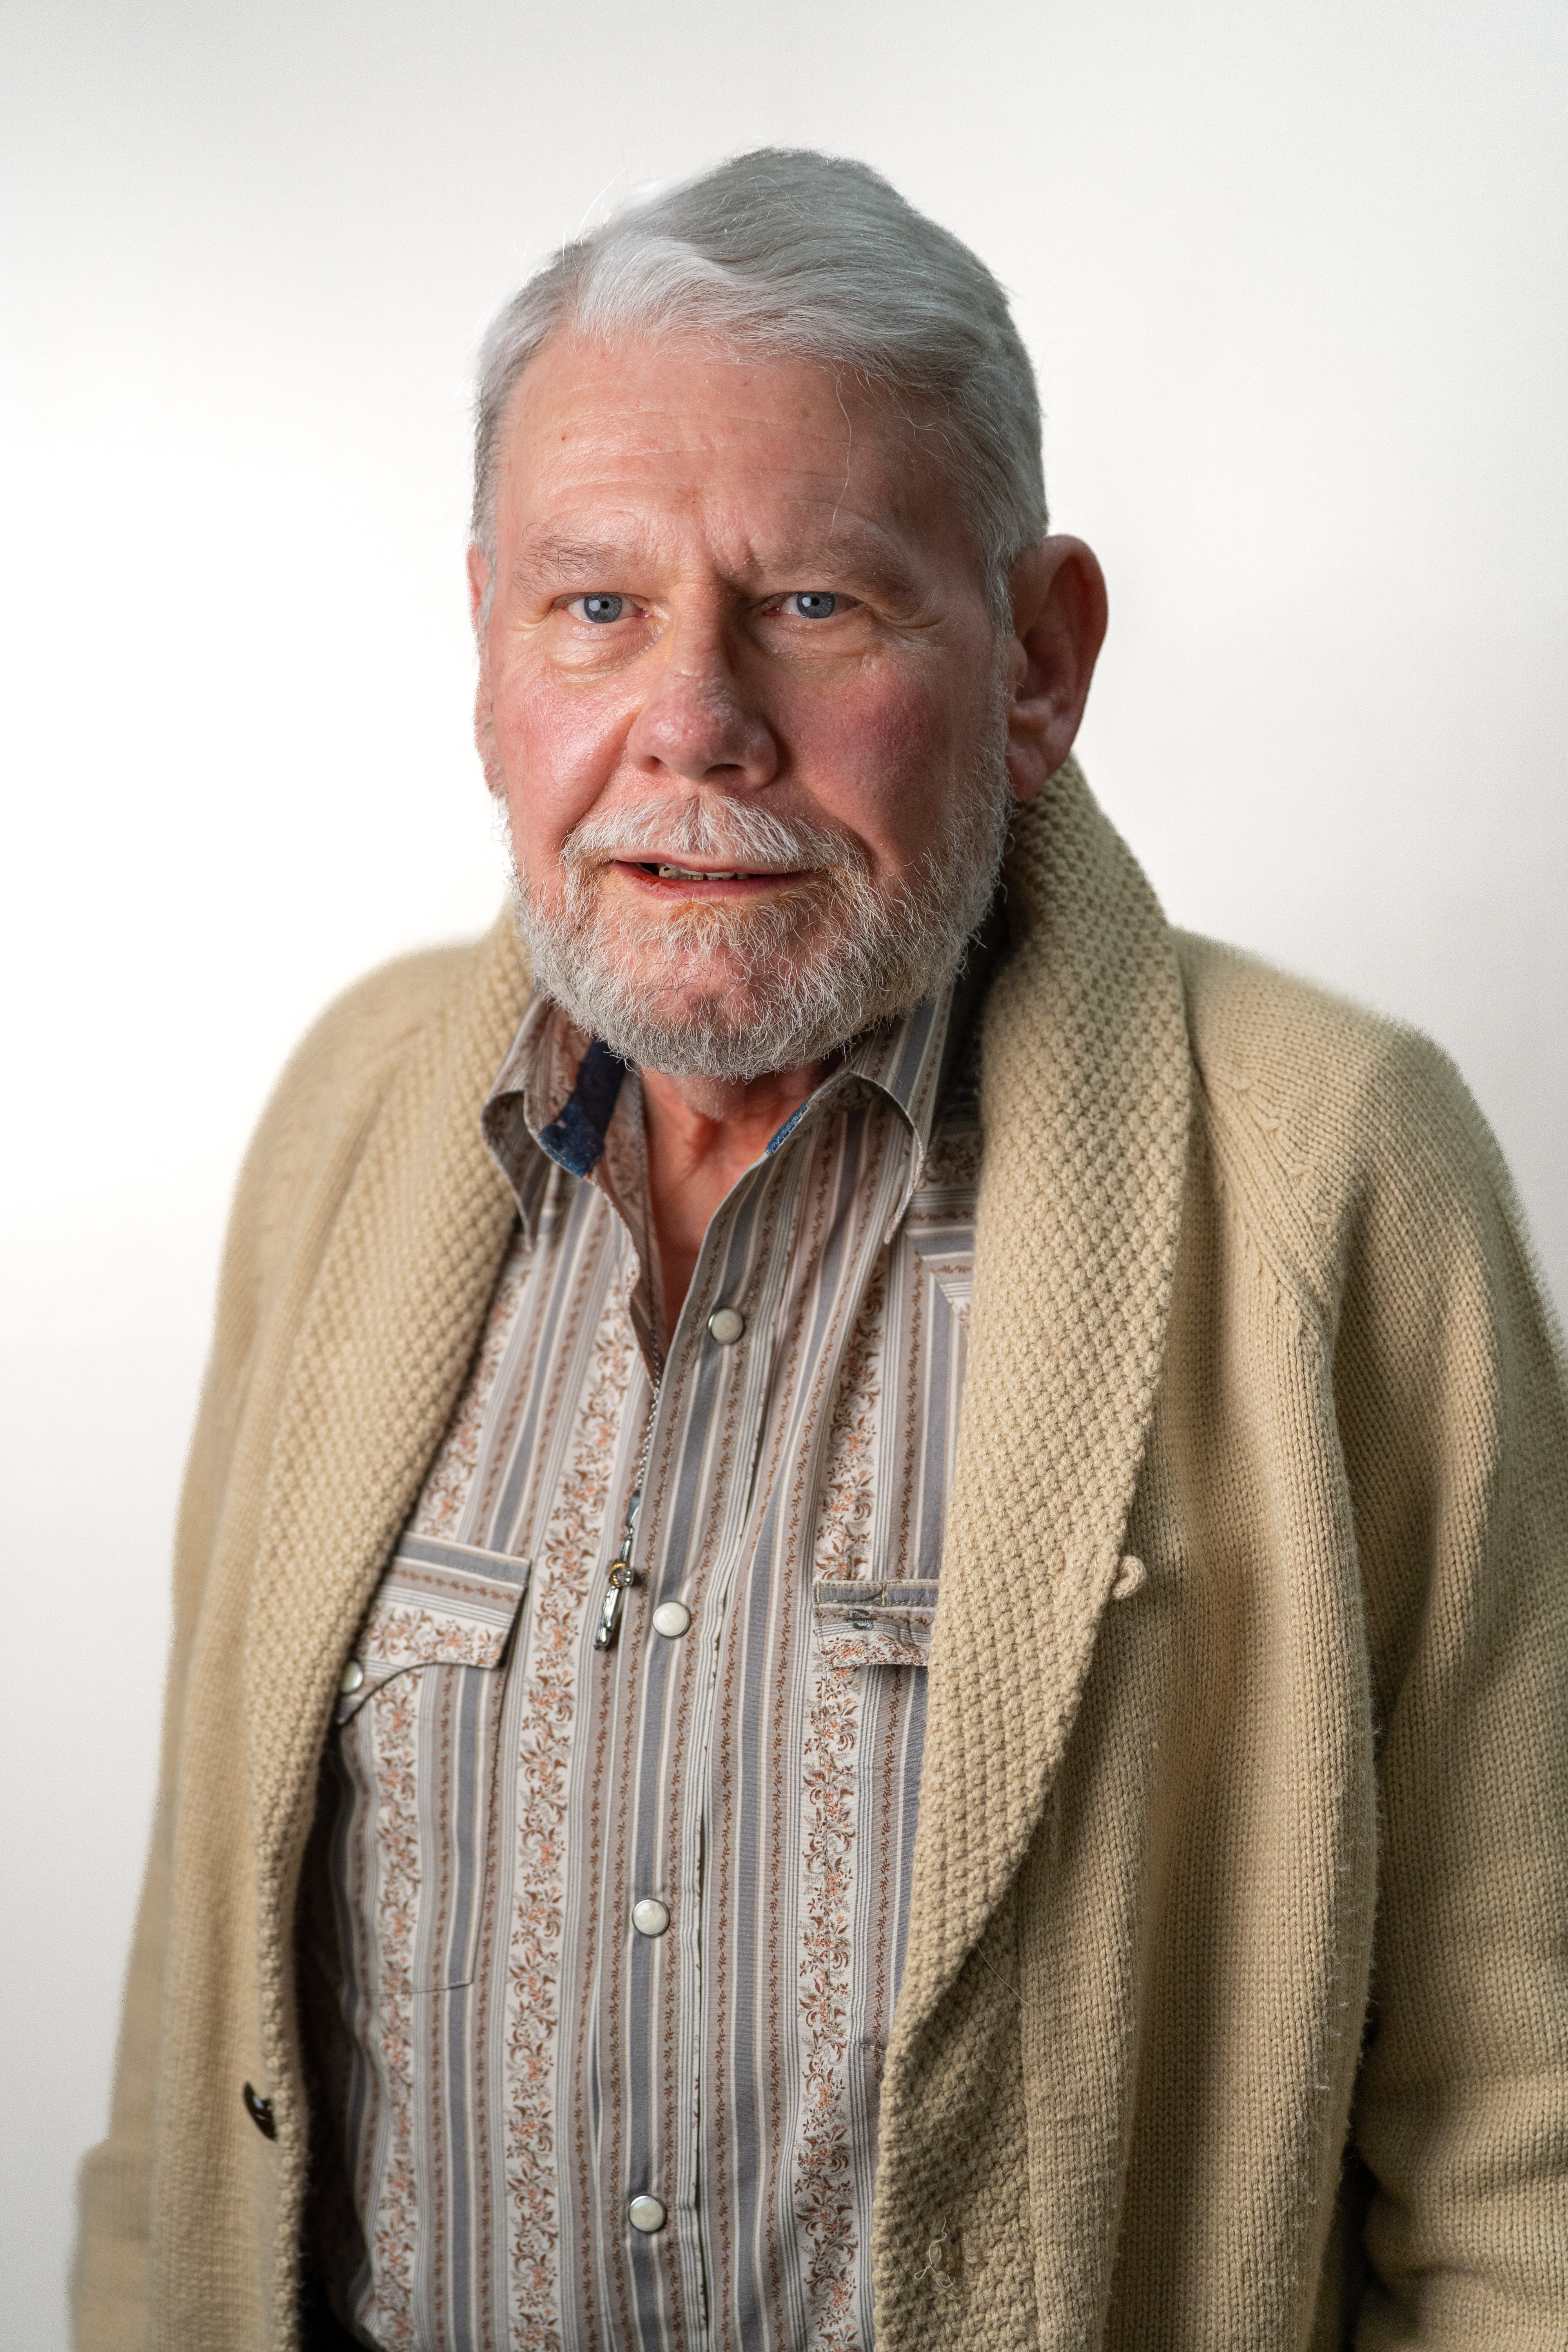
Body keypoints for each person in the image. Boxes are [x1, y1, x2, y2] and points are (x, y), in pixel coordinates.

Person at [73, 149, 1566, 2352]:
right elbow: (192, 2052)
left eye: (811, 605)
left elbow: (1521, 2149)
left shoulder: (1336, 1171)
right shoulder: (352, 1124)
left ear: (1040, 659)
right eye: (597, 607)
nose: (695, 721)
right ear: (485, 648)